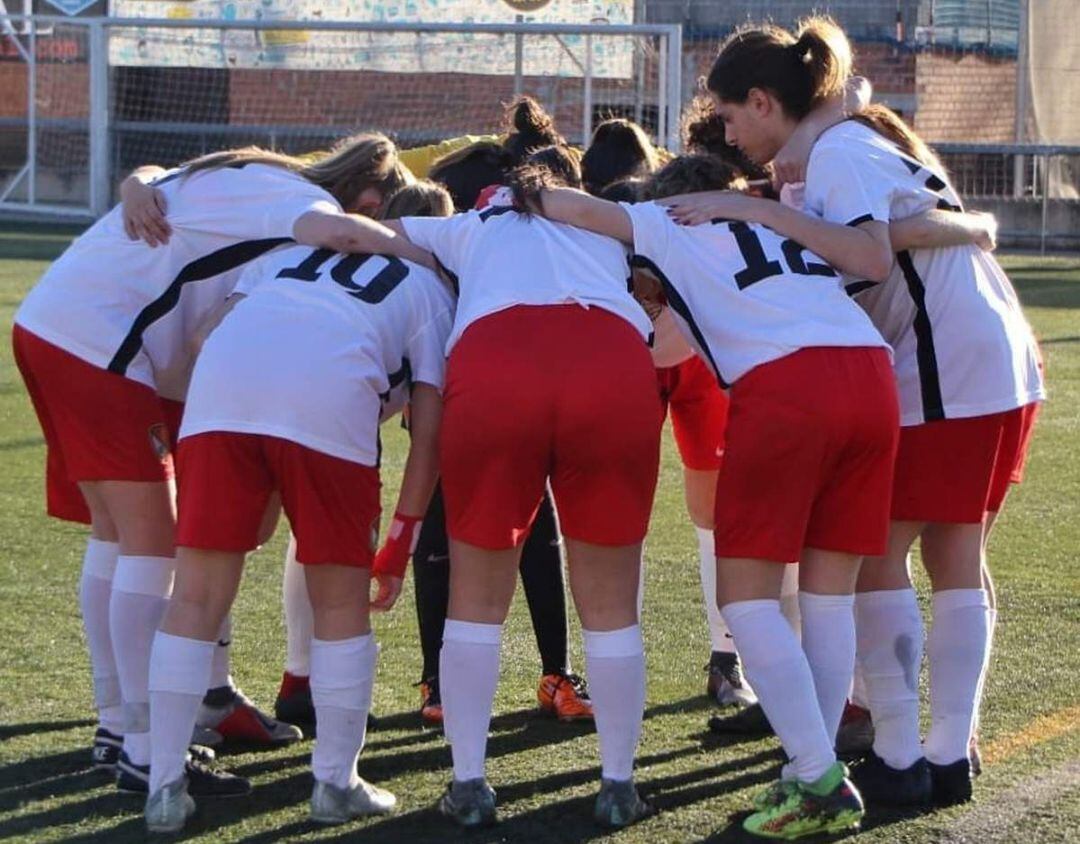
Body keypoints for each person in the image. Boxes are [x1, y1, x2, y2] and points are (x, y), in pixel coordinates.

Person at [662, 16, 1044, 808]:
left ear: (764, 101)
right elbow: (892, 229)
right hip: (980, 353)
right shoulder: (836, 143)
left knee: (884, 556)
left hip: (943, 362)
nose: (731, 133)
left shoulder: (835, 152)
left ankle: (909, 753)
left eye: (732, 116)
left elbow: (867, 254)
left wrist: (756, 214)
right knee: (953, 556)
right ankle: (941, 754)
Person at [12, 132, 410, 791]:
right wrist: (427, 249)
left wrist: (134, 184)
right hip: (105, 341)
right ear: (363, 199)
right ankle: (140, 748)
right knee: (155, 544)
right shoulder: (301, 202)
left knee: (122, 537)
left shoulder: (254, 170)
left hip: (66, 323)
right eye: (371, 212)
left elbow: (151, 171)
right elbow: (332, 232)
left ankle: (140, 717)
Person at [527, 152, 898, 839]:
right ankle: (808, 762)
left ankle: (819, 779)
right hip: (872, 375)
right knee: (827, 597)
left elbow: (569, 207)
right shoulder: (787, 224)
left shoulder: (669, 220)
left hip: (788, 387)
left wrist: (519, 191)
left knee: (747, 600)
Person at [338, 144, 662, 829]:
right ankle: (619, 784)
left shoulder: (470, 227)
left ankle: (470, 783)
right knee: (610, 605)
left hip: (494, 366)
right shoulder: (606, 220)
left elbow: (363, 232)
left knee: (476, 600)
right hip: (611, 364)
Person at [142, 203, 453, 832]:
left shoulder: (282, 257)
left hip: (221, 391)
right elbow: (431, 435)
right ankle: (335, 783)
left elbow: (205, 341)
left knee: (194, 598)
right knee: (340, 604)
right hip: (329, 398)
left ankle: (164, 787)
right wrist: (400, 538)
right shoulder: (431, 290)